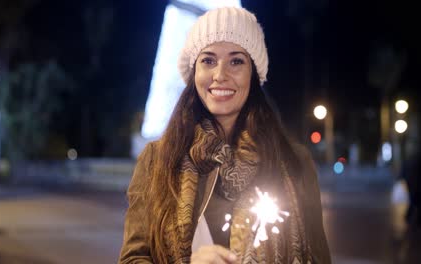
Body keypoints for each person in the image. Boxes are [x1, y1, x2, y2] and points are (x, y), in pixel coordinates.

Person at [119, 6, 331, 263]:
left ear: (253, 73)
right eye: (208, 60)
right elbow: (132, 259)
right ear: (194, 71)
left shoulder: (294, 161)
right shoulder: (156, 160)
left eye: (236, 61)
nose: (220, 75)